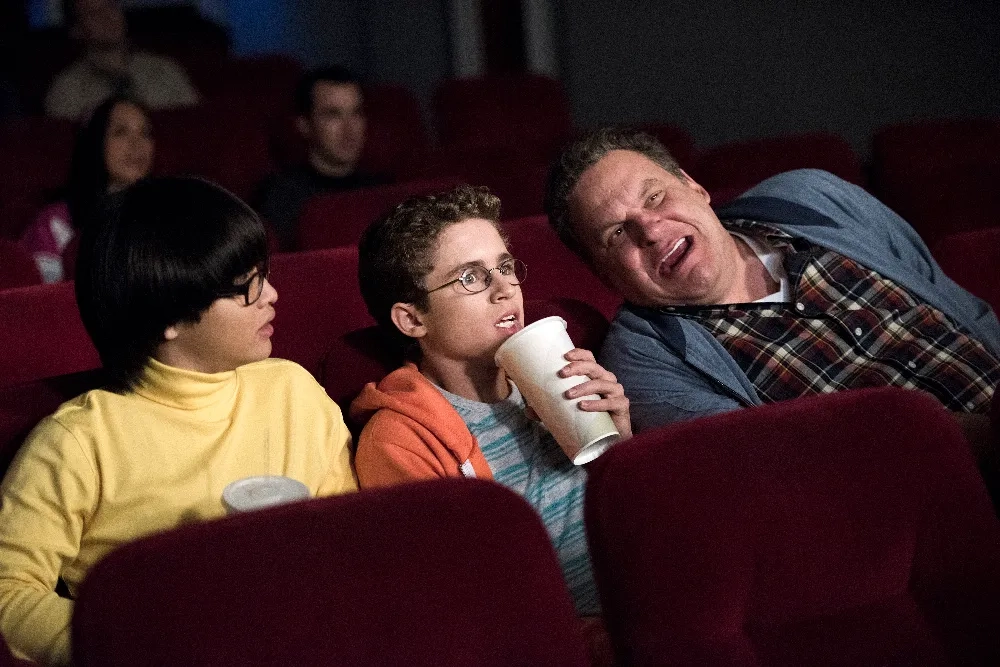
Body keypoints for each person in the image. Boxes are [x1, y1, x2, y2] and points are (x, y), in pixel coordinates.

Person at [0, 177, 358, 665]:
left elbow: (351, 535)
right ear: (167, 315)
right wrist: (141, 645)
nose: (272, 295)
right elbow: (10, 593)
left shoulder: (292, 389)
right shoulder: (79, 442)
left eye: (265, 276)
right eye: (247, 288)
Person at [543, 128, 1000, 447]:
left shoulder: (810, 196)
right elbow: (785, 476)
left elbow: (961, 308)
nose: (651, 229)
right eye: (617, 234)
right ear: (604, 275)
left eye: (656, 196)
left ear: (694, 186)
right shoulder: (645, 363)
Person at [350, 184, 631, 618]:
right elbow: (461, 602)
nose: (505, 290)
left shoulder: (556, 376)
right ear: (412, 319)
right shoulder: (398, 441)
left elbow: (636, 523)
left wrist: (624, 447)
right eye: (471, 277)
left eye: (504, 267)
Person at [21, 95, 154, 282]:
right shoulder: (55, 223)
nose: (137, 144)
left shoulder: (166, 211)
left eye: (145, 133)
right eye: (120, 132)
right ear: (95, 142)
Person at [255, 65, 386, 250]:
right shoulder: (281, 196)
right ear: (304, 125)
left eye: (356, 113)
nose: (349, 130)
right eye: (333, 115)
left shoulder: (380, 189)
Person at [45, 0, 199, 121]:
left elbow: (196, 123)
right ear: (76, 30)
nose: (107, 16)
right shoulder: (67, 92)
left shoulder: (164, 70)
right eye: (93, 13)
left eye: (110, 6)